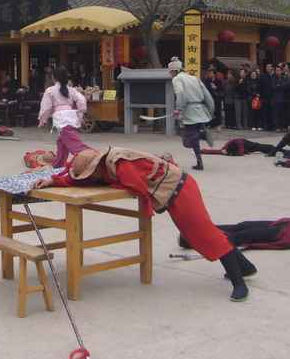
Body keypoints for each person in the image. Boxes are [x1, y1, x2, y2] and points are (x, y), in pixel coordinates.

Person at [31, 147, 255, 301]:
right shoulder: (103, 165)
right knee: (202, 234)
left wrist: (110, 186)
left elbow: (136, 187)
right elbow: (75, 178)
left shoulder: (119, 162)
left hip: (180, 189)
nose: (92, 178)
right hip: (173, 190)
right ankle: (245, 268)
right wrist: (52, 180)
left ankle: (238, 283)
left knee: (203, 235)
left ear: (96, 165)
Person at [38, 66, 88, 169]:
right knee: (62, 144)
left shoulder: (50, 90)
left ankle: (95, 157)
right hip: (70, 116)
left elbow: (45, 107)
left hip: (61, 118)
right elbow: (82, 100)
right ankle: (57, 166)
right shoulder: (71, 90)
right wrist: (80, 115)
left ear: (54, 77)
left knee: (75, 146)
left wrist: (42, 121)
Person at [169, 57, 214, 170]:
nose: (170, 74)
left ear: (175, 70)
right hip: (200, 110)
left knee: (187, 141)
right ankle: (199, 162)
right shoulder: (194, 78)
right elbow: (207, 95)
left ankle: (202, 135)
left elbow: (180, 93)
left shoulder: (176, 79)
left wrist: (178, 108)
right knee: (194, 138)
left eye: (171, 71)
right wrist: (210, 110)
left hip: (189, 111)